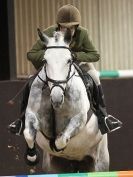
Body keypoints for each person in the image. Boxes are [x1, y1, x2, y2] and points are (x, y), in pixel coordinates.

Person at [8, 4, 122, 135]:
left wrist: (75, 56)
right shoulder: (49, 33)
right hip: (55, 66)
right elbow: (31, 54)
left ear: (77, 26)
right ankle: (21, 121)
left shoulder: (83, 34)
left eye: (72, 27)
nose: (68, 30)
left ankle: (104, 117)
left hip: (78, 63)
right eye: (64, 27)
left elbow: (95, 55)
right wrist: (52, 56)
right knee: (31, 81)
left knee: (95, 76)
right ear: (58, 26)